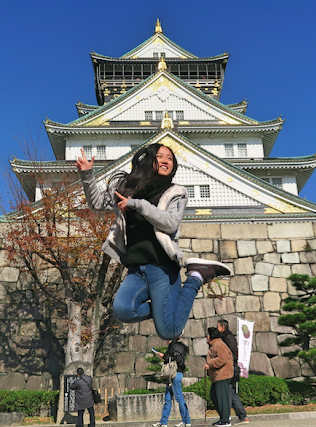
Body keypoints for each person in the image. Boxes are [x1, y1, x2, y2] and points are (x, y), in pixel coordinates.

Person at [76, 143, 231, 340]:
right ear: (149, 159)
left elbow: (170, 223)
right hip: (136, 270)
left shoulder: (176, 192)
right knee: (123, 310)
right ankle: (165, 310)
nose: (166, 160)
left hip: (162, 267)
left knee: (169, 331)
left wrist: (137, 205)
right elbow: (97, 203)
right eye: (160, 156)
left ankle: (196, 277)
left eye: (170, 158)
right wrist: (87, 175)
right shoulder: (128, 189)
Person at [152, 339, 191, 427]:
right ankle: (163, 422)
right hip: (171, 375)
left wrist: (164, 356)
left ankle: (186, 421)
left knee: (179, 398)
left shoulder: (175, 347)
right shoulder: (176, 346)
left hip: (175, 374)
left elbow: (176, 359)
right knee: (168, 398)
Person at [217, 319, 249, 424]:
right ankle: (240, 416)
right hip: (230, 368)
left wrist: (228, 362)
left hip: (230, 368)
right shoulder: (225, 337)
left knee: (229, 392)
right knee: (230, 392)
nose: (217, 329)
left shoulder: (228, 337)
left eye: (218, 326)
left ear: (223, 327)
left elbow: (233, 352)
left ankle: (233, 416)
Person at [204, 327, 234, 427]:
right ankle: (223, 418)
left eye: (208, 335)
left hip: (222, 374)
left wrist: (210, 364)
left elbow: (223, 358)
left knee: (222, 398)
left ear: (211, 336)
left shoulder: (218, 344)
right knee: (214, 396)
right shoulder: (214, 344)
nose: (206, 337)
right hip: (218, 375)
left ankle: (225, 420)